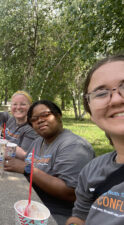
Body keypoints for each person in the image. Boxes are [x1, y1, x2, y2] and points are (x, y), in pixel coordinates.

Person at [4, 100, 95, 224]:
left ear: (58, 116)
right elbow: (28, 163)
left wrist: (27, 169)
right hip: (33, 203)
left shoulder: (74, 146)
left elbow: (70, 193)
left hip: (58, 214)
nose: (40, 120)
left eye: (45, 115)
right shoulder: (38, 142)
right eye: (34, 119)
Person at [66, 54, 124, 225]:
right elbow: (80, 217)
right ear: (91, 114)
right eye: (101, 93)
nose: (116, 99)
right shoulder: (91, 171)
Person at [0, 91, 38, 159]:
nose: (18, 107)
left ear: (30, 107)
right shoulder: (12, 120)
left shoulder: (32, 128)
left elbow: (24, 155)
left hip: (17, 167)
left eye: (23, 104)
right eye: (14, 104)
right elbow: (9, 137)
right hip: (2, 161)